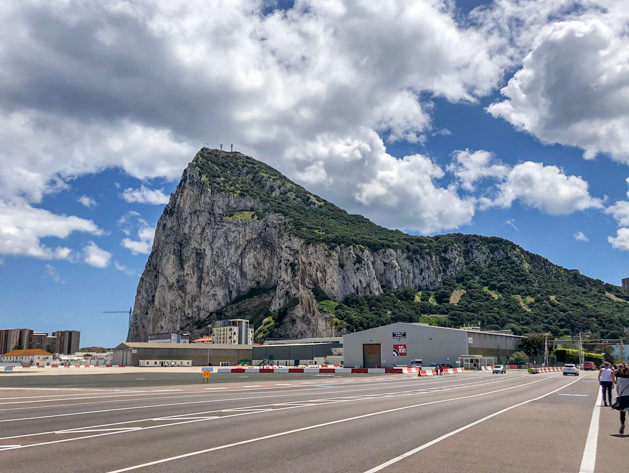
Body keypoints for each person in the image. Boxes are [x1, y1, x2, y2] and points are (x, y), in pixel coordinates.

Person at [612, 364, 629, 435]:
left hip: (622, 397)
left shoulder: (619, 379)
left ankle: (622, 424)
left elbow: (617, 389)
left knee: (622, 413)